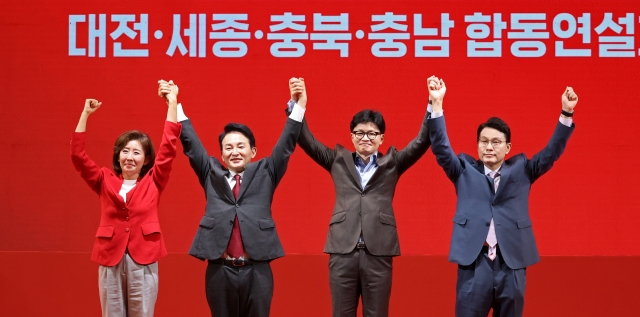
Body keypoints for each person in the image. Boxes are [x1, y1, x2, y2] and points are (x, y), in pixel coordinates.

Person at [426, 76, 578, 317]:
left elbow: (551, 153)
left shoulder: (522, 169)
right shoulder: (463, 169)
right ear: (477, 145)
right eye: (484, 141)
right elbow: (441, 147)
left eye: (496, 142)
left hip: (511, 262)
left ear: (508, 148)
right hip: (475, 262)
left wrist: (566, 114)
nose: (489, 147)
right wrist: (436, 104)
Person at [158, 78, 306, 317]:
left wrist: (299, 105)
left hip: (257, 270)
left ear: (253, 152)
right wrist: (174, 103)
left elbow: (287, 143)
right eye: (228, 148)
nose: (234, 152)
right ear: (222, 155)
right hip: (219, 270)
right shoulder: (211, 172)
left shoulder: (267, 171)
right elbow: (191, 143)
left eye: (240, 146)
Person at [286, 78, 431, 317]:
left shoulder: (393, 163)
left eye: (372, 133)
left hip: (379, 252)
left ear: (381, 138)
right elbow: (306, 140)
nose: (366, 137)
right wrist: (298, 105)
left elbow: (422, 141)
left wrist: (432, 105)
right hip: (343, 252)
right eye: (360, 133)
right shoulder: (337, 160)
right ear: (351, 136)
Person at [71, 82, 181, 317]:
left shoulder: (154, 180)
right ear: (118, 155)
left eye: (136, 152)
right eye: (125, 151)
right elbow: (78, 157)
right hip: (111, 257)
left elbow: (169, 147)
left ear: (146, 158)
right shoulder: (103, 179)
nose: (130, 157)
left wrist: (172, 103)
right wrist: (85, 115)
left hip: (143, 257)